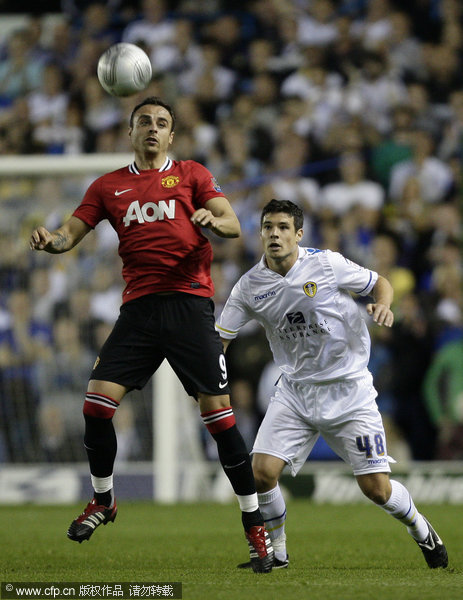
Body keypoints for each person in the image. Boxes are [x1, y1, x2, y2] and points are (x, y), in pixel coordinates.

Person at [30, 96, 273, 573]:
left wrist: (211, 221)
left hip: (189, 307)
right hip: (139, 312)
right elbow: (69, 234)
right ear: (130, 131)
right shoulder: (108, 185)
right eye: (145, 121)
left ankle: (255, 529)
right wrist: (49, 240)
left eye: (162, 123)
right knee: (95, 405)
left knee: (220, 420)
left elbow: (233, 223)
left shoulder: (192, 175)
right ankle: (103, 500)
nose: (153, 129)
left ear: (172, 135)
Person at [215, 199, 448, 570]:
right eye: (268, 227)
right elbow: (220, 339)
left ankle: (421, 528)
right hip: (295, 391)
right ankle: (278, 552)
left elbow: (380, 284)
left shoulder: (326, 264)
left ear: (299, 234)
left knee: (377, 490)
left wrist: (384, 305)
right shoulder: (248, 287)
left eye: (283, 227)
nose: (275, 234)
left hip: (349, 391)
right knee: (261, 472)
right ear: (260, 233)